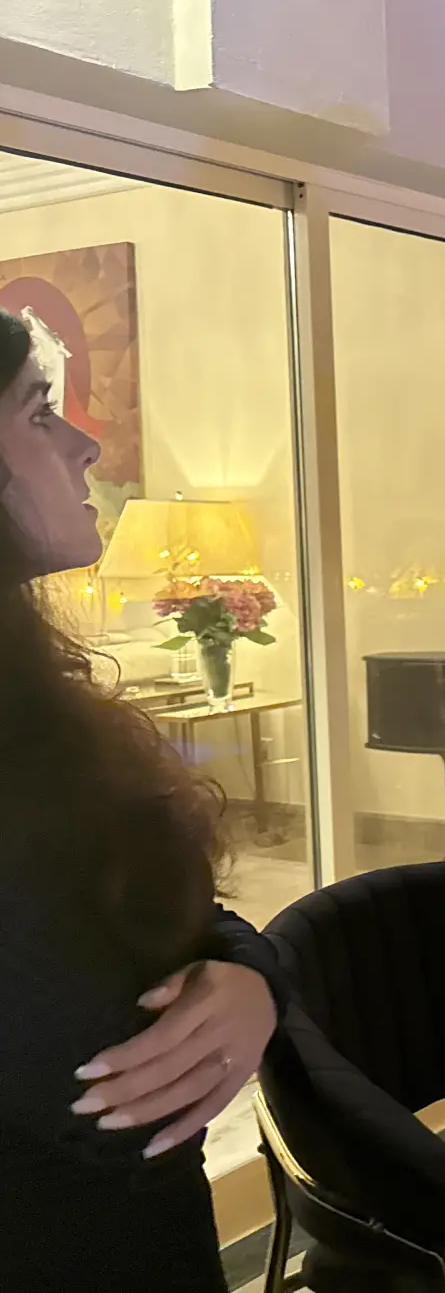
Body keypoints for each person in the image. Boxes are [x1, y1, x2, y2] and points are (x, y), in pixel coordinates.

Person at [0, 307, 286, 1290]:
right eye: (38, 413)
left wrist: (251, 973)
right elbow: (110, 1103)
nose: (87, 446)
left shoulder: (33, 704)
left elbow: (172, 918)